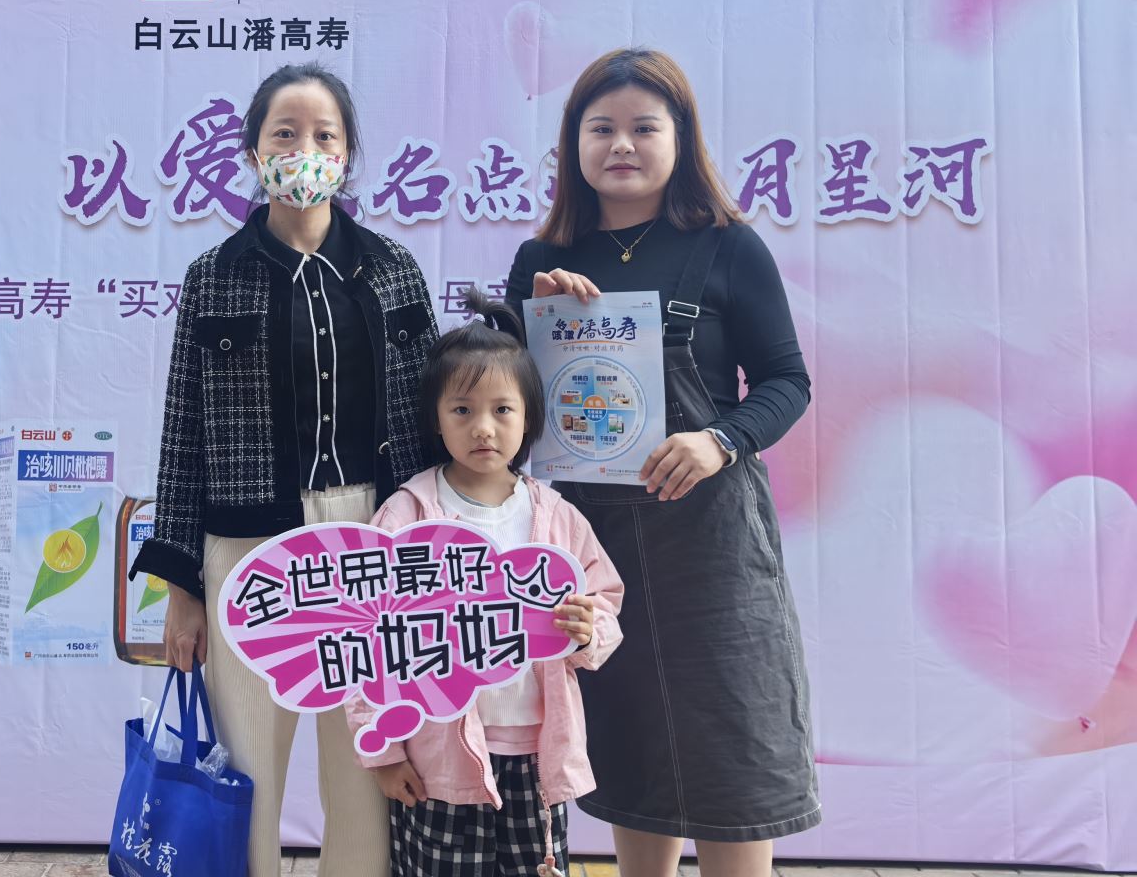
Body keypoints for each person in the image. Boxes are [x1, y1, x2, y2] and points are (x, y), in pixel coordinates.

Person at [505, 48, 820, 877]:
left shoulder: (728, 247)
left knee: (734, 741)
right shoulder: (540, 261)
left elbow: (786, 382)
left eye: (645, 127)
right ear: (573, 143)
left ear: (680, 139)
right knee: (630, 739)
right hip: (591, 542)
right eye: (600, 128)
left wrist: (720, 440)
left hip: (712, 540)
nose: (622, 144)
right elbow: (503, 407)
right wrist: (531, 329)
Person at [131, 62, 440, 877]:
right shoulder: (214, 276)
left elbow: (436, 410)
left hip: (375, 540)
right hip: (250, 548)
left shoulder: (392, 269)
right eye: (285, 133)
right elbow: (183, 434)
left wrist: (440, 549)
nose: (305, 150)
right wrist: (182, 589)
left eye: (324, 135)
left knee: (368, 761)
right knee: (248, 769)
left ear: (347, 155)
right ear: (253, 152)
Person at [349, 287, 625, 877]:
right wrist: (384, 749)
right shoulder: (406, 516)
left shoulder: (555, 516)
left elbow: (604, 602)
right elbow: (366, 640)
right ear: (435, 419)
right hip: (436, 754)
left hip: (537, 750)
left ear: (529, 418)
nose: (483, 428)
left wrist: (587, 631)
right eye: (462, 410)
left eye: (503, 410)